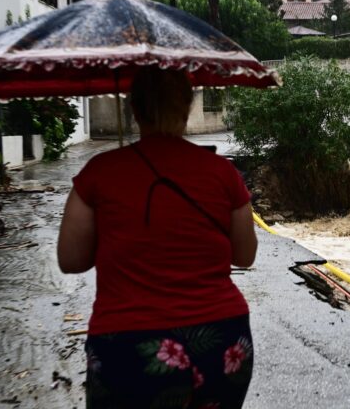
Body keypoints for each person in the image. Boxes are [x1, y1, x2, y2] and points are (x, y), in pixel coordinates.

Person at [57, 68, 258, 408]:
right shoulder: (223, 173)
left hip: (128, 344)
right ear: (186, 108)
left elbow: (71, 260)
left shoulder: (98, 174)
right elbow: (245, 255)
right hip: (222, 341)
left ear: (134, 110)